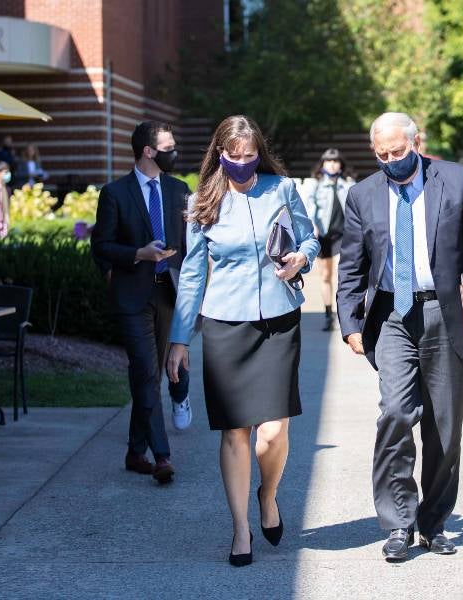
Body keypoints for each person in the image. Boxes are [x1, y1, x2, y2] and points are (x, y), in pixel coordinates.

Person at [336, 112, 463, 562]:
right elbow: (351, 265)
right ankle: (398, 522)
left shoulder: (456, 180)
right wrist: (350, 323)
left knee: (444, 429)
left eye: (397, 151)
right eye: (381, 154)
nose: (390, 160)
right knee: (395, 412)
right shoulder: (362, 195)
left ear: (416, 143)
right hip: (392, 314)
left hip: (443, 311)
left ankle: (433, 523)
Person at [167, 115, 320, 567]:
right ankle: (240, 529)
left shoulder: (282, 189)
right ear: (220, 155)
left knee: (272, 433)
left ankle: (268, 496)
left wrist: (300, 259)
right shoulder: (201, 203)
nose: (242, 164)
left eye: (249, 156)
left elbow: (310, 239)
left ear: (259, 153)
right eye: (233, 156)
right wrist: (179, 339)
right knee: (235, 433)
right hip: (224, 324)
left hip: (278, 318)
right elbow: (192, 273)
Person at [91, 121, 193, 485]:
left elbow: (192, 244)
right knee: (146, 373)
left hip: (169, 291)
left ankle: (135, 451)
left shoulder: (180, 190)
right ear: (149, 151)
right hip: (133, 297)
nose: (174, 150)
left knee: (161, 371)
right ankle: (161, 456)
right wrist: (137, 253)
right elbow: (100, 247)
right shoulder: (115, 193)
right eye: (169, 145)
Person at [304, 148, 354, 330]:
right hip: (324, 235)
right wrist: (312, 226)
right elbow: (310, 207)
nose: (332, 164)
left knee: (344, 275)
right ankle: (328, 314)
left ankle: (346, 315)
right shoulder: (315, 184)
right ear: (323, 163)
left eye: (335, 161)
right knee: (325, 276)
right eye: (328, 161)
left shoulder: (348, 184)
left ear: (341, 164)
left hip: (343, 235)